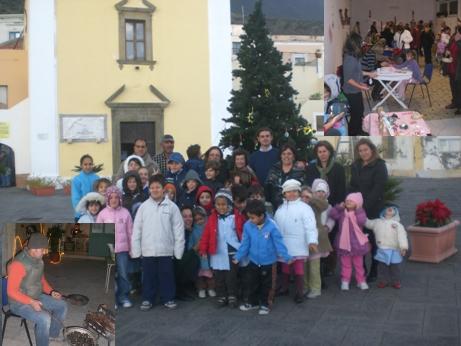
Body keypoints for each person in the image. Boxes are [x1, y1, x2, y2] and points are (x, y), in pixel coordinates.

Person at [131, 175, 185, 311]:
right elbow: (137, 229)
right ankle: (148, 299)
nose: (155, 190)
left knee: (166, 275)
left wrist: (178, 251)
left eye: (158, 187)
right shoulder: (143, 207)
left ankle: (168, 298)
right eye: (152, 187)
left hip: (166, 249)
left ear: (163, 189)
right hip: (148, 249)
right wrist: (136, 250)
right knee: (148, 276)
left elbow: (178, 230)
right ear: (149, 189)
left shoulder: (172, 207)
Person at [7, 233, 68, 346]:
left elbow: (41, 280)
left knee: (62, 305)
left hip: (36, 295)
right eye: (43, 249)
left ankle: (51, 335)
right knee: (44, 319)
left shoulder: (38, 260)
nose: (45, 252)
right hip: (19, 302)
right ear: (34, 249)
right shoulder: (18, 265)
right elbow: (11, 291)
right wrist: (31, 302)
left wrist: (51, 292)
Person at [233, 199, 292, 315]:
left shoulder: (272, 226)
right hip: (253, 260)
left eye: (253, 218)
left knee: (267, 284)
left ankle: (266, 304)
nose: (251, 220)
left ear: (261, 216)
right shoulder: (248, 226)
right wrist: (238, 256)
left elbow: (279, 243)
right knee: (252, 282)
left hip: (269, 262)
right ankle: (253, 302)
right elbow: (245, 243)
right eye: (249, 217)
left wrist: (286, 257)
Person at [349, 138, 388, 282]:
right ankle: (362, 269)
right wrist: (351, 202)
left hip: (374, 209)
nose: (363, 153)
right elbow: (352, 185)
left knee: (374, 239)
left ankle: (374, 269)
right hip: (358, 209)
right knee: (361, 241)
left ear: (371, 149)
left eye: (366, 149)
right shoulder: (356, 165)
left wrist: (364, 207)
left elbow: (378, 188)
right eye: (360, 150)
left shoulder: (379, 165)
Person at [274, 179, 318, 304]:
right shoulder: (280, 208)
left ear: (299, 192)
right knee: (285, 267)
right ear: (284, 194)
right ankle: (285, 288)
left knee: (298, 268)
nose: (291, 194)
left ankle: (300, 292)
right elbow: (276, 227)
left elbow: (310, 226)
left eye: (294, 191)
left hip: (298, 243)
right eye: (288, 192)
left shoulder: (305, 208)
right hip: (284, 244)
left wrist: (312, 241)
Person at [199, 189, 241, 308]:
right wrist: (203, 249)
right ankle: (222, 295)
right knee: (219, 275)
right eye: (218, 204)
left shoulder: (235, 217)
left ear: (229, 204)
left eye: (223, 204)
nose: (221, 207)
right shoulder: (212, 218)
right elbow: (206, 235)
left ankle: (232, 295)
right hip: (217, 251)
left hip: (232, 250)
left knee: (231, 275)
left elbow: (241, 232)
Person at [96, 186, 134, 308]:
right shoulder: (102, 214)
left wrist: (132, 249)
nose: (114, 200)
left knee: (123, 274)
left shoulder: (125, 213)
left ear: (120, 199)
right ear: (107, 199)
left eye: (116, 197)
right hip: (109, 250)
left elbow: (130, 232)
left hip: (122, 250)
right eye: (111, 197)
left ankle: (124, 297)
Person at [328, 193, 370, 291]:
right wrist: (339, 207)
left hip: (357, 245)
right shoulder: (342, 213)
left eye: (351, 201)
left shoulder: (360, 213)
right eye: (347, 200)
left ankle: (361, 281)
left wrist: (358, 210)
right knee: (345, 264)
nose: (348, 202)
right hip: (344, 245)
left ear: (357, 204)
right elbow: (332, 215)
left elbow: (361, 221)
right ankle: (345, 280)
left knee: (359, 265)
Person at [303, 180, 334, 299]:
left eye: (308, 196)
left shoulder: (316, 204)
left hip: (317, 239)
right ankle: (305, 286)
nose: (306, 198)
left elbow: (324, 206)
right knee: (304, 266)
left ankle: (316, 288)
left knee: (314, 265)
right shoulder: (300, 206)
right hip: (303, 240)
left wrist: (312, 199)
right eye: (303, 196)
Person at [342, 32, 377, 135]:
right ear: (355, 44)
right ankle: (352, 133)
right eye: (360, 42)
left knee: (360, 111)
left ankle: (359, 130)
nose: (362, 43)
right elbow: (348, 79)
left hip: (355, 89)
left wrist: (369, 74)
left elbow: (357, 71)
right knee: (356, 113)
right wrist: (361, 87)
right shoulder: (349, 59)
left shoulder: (354, 56)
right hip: (351, 91)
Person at [365, 206, 408, 289]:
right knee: (382, 267)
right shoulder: (377, 222)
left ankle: (396, 281)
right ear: (383, 211)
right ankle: (383, 281)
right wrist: (361, 214)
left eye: (393, 208)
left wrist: (403, 247)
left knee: (395, 267)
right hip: (382, 249)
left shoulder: (398, 225)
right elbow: (368, 223)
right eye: (388, 207)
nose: (390, 208)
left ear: (395, 213)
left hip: (394, 249)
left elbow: (402, 236)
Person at [305, 140, 346, 207]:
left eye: (324, 151)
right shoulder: (311, 168)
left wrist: (339, 205)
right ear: (317, 154)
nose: (322, 154)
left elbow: (342, 189)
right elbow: (309, 187)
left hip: (334, 205)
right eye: (320, 152)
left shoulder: (339, 168)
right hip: (315, 205)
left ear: (329, 152)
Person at [265, 144, 305, 210]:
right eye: (283, 154)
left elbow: (303, 189)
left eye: (289, 154)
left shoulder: (300, 171)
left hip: (294, 206)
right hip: (275, 206)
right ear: (280, 156)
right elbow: (268, 187)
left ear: (293, 156)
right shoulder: (274, 169)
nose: (286, 156)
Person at [189, 206, 216, 298]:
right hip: (199, 256)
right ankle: (201, 289)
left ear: (205, 217)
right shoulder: (193, 232)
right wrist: (195, 247)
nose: (199, 221)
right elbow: (190, 245)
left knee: (210, 274)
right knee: (200, 275)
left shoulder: (210, 227)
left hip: (209, 256)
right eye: (196, 220)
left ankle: (211, 288)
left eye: (201, 219)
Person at [175, 206, 200, 301]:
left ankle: (186, 288)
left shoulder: (193, 230)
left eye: (190, 216)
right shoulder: (178, 231)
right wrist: (194, 249)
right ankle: (179, 290)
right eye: (185, 216)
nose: (188, 219)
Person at [71, 154, 100, 221]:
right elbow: (75, 198)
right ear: (81, 165)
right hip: (81, 214)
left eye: (90, 164)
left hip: (95, 212)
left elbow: (99, 195)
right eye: (85, 164)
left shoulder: (97, 178)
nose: (88, 166)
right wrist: (82, 211)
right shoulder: (77, 179)